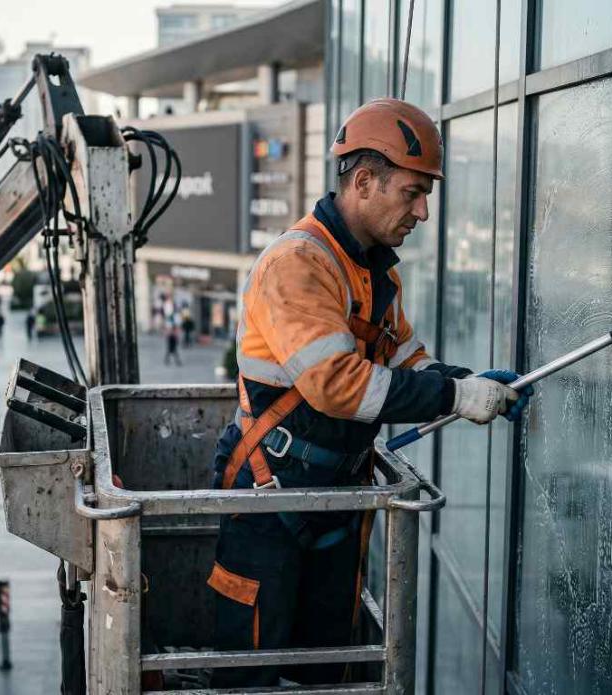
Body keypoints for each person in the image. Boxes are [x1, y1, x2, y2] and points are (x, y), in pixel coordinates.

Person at [206, 98, 534, 688]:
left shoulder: (373, 272)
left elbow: (404, 357)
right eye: (412, 193)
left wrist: (467, 381)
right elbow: (336, 384)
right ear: (362, 182)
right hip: (268, 497)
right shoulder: (298, 264)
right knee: (249, 671)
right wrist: (454, 398)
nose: (423, 211)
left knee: (328, 666)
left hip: (334, 495)